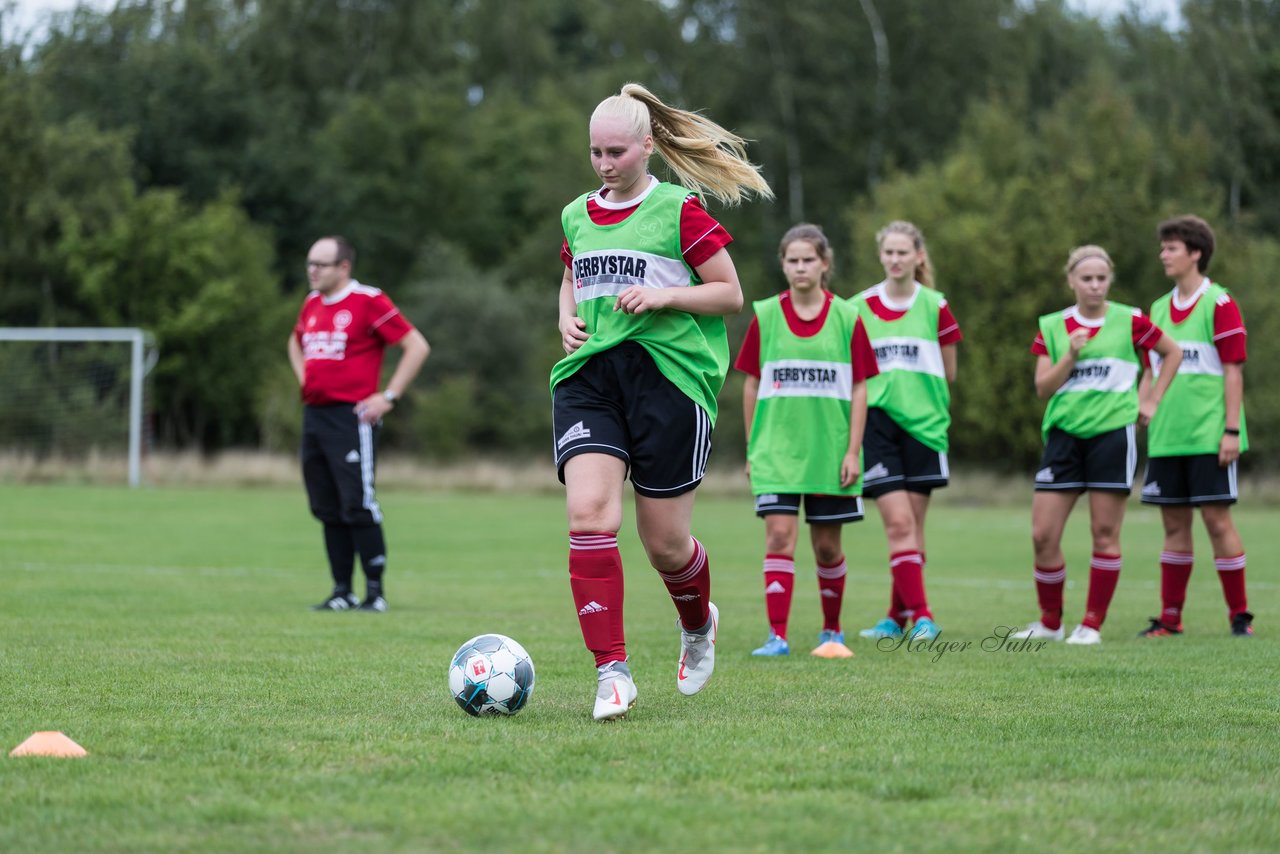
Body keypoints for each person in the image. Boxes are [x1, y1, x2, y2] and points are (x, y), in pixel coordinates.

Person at [552, 82, 772, 721]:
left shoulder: (680, 210)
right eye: (595, 152)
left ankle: (698, 624)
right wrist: (567, 320)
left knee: (665, 545)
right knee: (591, 515)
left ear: (647, 146)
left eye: (616, 151)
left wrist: (664, 297)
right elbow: (569, 277)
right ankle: (611, 673)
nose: (604, 164)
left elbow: (730, 295)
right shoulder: (575, 214)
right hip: (590, 379)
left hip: (670, 383)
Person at [1012, 245, 1182, 645]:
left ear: (1110, 281)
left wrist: (1152, 399)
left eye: (1101, 279)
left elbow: (1172, 353)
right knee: (1043, 535)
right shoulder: (1052, 325)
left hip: (1112, 436)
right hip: (1063, 438)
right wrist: (1070, 354)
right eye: (1086, 279)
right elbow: (1042, 388)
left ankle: (1091, 624)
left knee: (1104, 531)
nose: (1094, 286)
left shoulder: (1130, 320)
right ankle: (1050, 623)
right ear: (1071, 281)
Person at [734, 223, 878, 659]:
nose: (800, 267)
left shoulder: (847, 317)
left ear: (825, 264)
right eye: (792, 260)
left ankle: (832, 631)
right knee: (779, 537)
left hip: (830, 451)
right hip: (777, 451)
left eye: (808, 259)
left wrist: (853, 450)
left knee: (828, 545)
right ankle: (777, 636)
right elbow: (751, 385)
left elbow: (859, 387)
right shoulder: (766, 314)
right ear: (783, 264)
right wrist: (753, 446)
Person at [288, 235, 430, 613]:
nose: (312, 271)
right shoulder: (312, 303)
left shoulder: (368, 301)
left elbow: (416, 345)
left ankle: (374, 593)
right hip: (314, 416)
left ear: (344, 267)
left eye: (321, 264)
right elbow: (295, 341)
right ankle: (341, 591)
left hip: (351, 418)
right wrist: (305, 378)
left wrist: (389, 396)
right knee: (326, 505)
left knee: (358, 503)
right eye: (310, 264)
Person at [1137, 215, 1253, 637]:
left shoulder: (1219, 302)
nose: (1163, 255)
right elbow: (1149, 368)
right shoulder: (1156, 308)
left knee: (1217, 521)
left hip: (1209, 433)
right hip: (1168, 435)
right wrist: (1143, 403)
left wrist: (1231, 429)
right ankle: (1170, 618)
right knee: (1173, 525)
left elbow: (1233, 370)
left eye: (1171, 248)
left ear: (1195, 253)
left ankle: (1239, 616)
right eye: (1163, 247)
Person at [850, 221, 962, 642]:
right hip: (877, 426)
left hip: (925, 428)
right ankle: (925, 615)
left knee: (912, 528)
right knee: (899, 524)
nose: (896, 259)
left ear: (918, 256)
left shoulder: (935, 305)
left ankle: (896, 617)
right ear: (881, 256)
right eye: (889, 252)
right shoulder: (857, 306)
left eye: (904, 252)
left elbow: (948, 372)